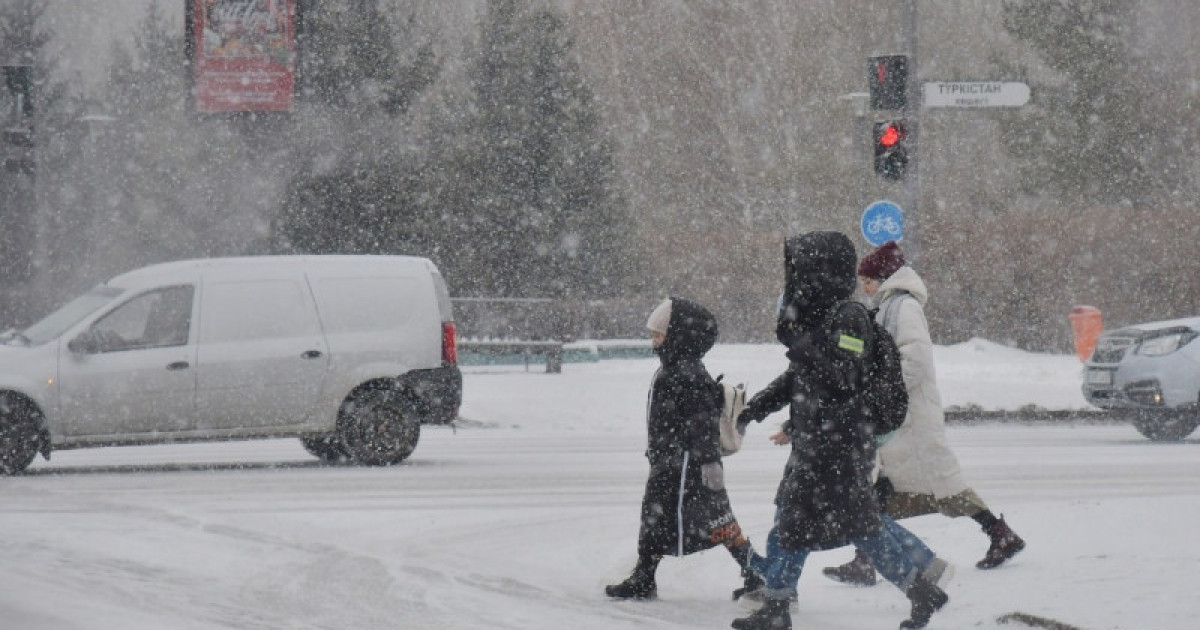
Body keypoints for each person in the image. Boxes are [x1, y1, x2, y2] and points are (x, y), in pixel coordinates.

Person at [733, 231, 948, 630]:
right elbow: (795, 379)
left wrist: (801, 345)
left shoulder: (849, 317)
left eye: (802, 273)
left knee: (860, 529)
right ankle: (779, 607)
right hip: (817, 443)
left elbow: (844, 376)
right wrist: (752, 411)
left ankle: (921, 590)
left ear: (823, 274)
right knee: (793, 522)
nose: (795, 283)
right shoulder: (820, 318)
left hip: (842, 445)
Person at [823, 241, 1026, 587]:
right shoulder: (888, 307)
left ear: (884, 278)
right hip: (899, 414)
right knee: (879, 486)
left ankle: (999, 533)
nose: (865, 288)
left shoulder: (903, 308)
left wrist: (883, 394)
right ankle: (865, 559)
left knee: (942, 482)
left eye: (869, 280)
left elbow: (914, 360)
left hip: (911, 415)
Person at [605, 297, 763, 601]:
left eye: (659, 335)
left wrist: (705, 464)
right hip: (675, 461)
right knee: (696, 519)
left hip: (685, 465)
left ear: (680, 335)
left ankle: (757, 572)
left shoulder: (687, 374)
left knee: (708, 520)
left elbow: (702, 425)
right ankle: (645, 575)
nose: (654, 342)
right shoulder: (678, 368)